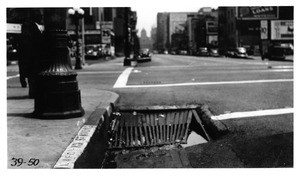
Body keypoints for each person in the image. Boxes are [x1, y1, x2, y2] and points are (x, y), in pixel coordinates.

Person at [18, 10, 44, 98]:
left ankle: (33, 92)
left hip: (29, 57)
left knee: (32, 77)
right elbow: (36, 41)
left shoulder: (30, 26)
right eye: (40, 16)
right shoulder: (31, 26)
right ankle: (33, 93)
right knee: (33, 76)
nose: (42, 17)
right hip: (32, 57)